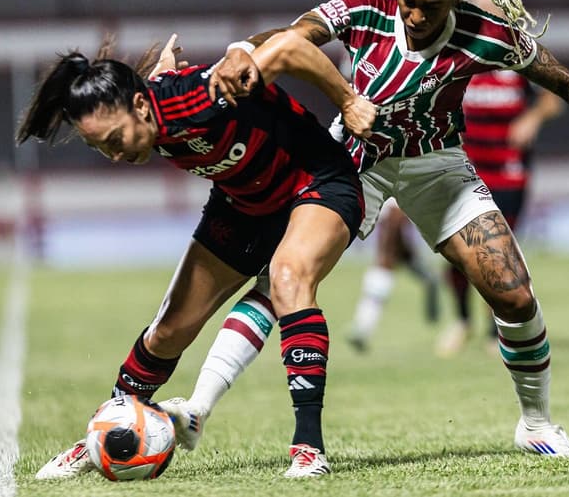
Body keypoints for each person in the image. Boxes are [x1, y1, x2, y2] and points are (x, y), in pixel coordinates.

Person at [163, 0, 569, 460]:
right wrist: (243, 49)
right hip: (353, 161)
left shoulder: (485, 35)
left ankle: (536, 424)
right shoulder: (365, 8)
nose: (415, 14)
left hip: (438, 166)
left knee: (515, 294)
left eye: (431, 6)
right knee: (285, 278)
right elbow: (295, 36)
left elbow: (562, 80)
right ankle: (197, 409)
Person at [21, 31, 372, 479]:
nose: (115, 155)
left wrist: (347, 100)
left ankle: (309, 447)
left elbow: (289, 47)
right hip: (244, 203)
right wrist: (161, 75)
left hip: (317, 181)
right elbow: (157, 89)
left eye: (115, 139)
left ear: (140, 107)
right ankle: (107, 431)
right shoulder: (148, 108)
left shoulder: (202, 94)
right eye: (101, 147)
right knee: (168, 330)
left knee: (288, 278)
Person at [437, 0, 564, 357]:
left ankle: (498, 332)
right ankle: (462, 321)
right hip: (463, 171)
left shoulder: (517, 54)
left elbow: (554, 97)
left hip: (508, 172)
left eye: (491, 6)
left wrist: (532, 118)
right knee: (457, 253)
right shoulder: (455, 53)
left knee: (498, 254)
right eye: (478, 6)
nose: (485, 12)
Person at [347, 198, 440, 352]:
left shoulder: (389, 208)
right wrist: (409, 255)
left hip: (388, 261)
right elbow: (395, 236)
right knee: (375, 296)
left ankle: (361, 330)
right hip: (387, 263)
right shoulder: (395, 209)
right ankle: (361, 331)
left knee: (431, 281)